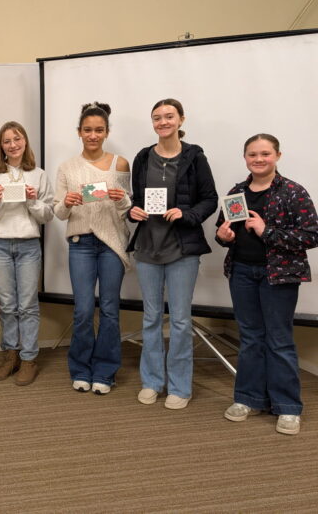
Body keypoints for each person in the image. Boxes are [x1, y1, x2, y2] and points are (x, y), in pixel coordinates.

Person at [216, 134, 318, 435]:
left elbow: (312, 235)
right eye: (252, 154)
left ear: (277, 156)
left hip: (279, 276)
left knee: (279, 339)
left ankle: (287, 407)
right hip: (242, 273)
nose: (258, 159)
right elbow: (222, 231)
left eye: (265, 154)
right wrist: (223, 237)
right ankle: (249, 398)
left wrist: (267, 230)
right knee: (249, 338)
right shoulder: (236, 193)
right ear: (245, 158)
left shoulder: (293, 192)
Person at [128, 98, 217, 409]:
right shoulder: (142, 158)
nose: (163, 122)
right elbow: (135, 200)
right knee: (151, 318)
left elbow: (210, 199)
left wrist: (187, 215)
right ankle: (152, 381)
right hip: (147, 249)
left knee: (179, 320)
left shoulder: (195, 157)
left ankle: (180, 386)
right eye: (157, 117)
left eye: (169, 116)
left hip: (182, 250)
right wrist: (133, 211)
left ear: (181, 119)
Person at [53, 103, 131, 394]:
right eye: (88, 130)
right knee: (83, 310)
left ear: (107, 132)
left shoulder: (120, 164)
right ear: (79, 132)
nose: (93, 135)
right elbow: (59, 213)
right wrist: (67, 203)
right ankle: (81, 369)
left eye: (99, 130)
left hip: (111, 244)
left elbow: (128, 210)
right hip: (80, 244)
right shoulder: (67, 168)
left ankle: (105, 372)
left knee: (110, 310)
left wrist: (121, 199)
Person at [0, 121, 55, 386]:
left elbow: (47, 215)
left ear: (25, 142)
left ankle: (29, 358)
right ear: (1, 146)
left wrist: (32, 201)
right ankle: (11, 355)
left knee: (28, 305)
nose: (13, 145)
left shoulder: (39, 174)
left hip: (29, 246)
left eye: (17, 139)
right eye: (7, 141)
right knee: (7, 305)